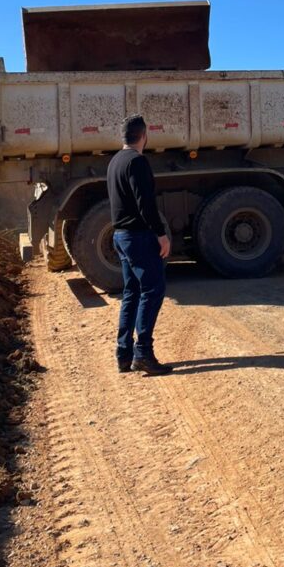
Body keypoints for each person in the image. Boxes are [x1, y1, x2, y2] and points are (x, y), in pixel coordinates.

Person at [107, 114, 173, 375]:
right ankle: (143, 353)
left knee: (131, 293)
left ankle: (123, 355)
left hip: (121, 236)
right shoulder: (137, 162)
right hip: (138, 236)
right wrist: (161, 234)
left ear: (123, 136)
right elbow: (145, 202)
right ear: (144, 136)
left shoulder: (114, 162)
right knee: (153, 290)